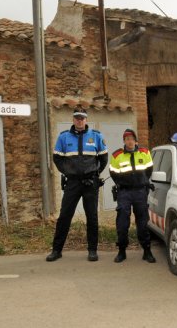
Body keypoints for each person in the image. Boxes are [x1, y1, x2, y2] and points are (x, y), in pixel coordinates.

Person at [46, 108, 109, 262]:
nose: (79, 121)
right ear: (73, 120)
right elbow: (57, 159)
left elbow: (104, 158)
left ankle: (92, 250)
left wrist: (95, 174)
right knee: (64, 217)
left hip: (90, 183)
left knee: (92, 217)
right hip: (72, 183)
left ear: (86, 120)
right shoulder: (63, 137)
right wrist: (68, 172)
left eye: (82, 118)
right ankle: (56, 250)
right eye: (77, 118)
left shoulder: (96, 136)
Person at [109, 128, 156, 263]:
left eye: (131, 139)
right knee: (122, 223)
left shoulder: (145, 153)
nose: (129, 141)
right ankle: (122, 251)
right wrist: (123, 183)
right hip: (124, 193)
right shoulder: (117, 155)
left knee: (142, 222)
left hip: (140, 192)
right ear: (124, 141)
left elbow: (149, 171)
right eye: (126, 139)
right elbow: (113, 173)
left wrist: (143, 183)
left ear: (136, 141)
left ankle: (147, 251)